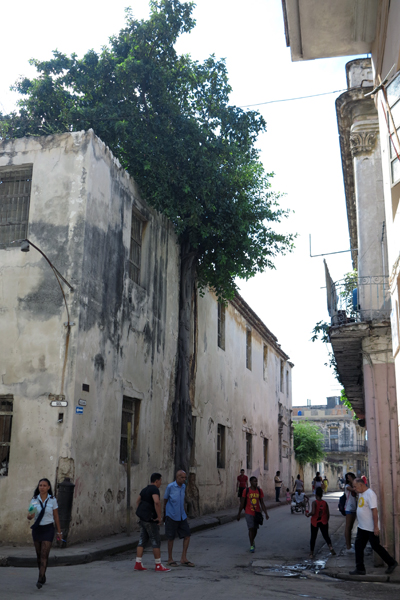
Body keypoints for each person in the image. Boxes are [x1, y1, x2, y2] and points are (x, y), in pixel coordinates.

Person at [349, 478, 398, 576]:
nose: (354, 488)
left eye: (355, 486)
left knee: (376, 546)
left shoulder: (370, 494)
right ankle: (360, 569)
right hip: (362, 527)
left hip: (370, 528)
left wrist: (376, 527)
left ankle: (392, 563)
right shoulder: (361, 493)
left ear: (361, 485)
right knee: (358, 547)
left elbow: (374, 511)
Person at [27, 478, 62, 589]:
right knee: (38, 556)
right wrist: (30, 516)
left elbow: (56, 516)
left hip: (48, 529)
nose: (42, 487)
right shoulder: (34, 500)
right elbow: (30, 514)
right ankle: (43, 575)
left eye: (44, 485)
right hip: (37, 529)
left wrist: (59, 532)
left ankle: (40, 578)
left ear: (48, 487)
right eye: (40, 485)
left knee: (44, 554)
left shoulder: (52, 500)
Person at [134, 472, 170, 572]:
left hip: (143, 519)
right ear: (157, 480)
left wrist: (142, 513)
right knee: (155, 540)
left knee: (142, 540)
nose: (160, 483)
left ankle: (138, 563)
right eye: (160, 481)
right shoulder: (154, 489)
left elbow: (137, 501)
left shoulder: (144, 489)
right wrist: (159, 517)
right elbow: (157, 502)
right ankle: (158, 565)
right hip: (151, 519)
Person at [164, 470, 194, 567]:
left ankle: (183, 558)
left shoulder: (184, 487)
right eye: (182, 477)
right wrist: (164, 513)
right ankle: (170, 558)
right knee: (171, 537)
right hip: (172, 515)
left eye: (185, 478)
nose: (184, 479)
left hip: (182, 515)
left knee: (187, 535)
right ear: (177, 477)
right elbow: (165, 499)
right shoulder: (170, 487)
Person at [237, 476, 269, 553]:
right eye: (254, 481)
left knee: (255, 529)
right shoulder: (246, 490)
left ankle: (253, 540)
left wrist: (266, 513)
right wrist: (238, 514)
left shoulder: (259, 490)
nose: (256, 483)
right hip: (249, 512)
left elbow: (262, 503)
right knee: (251, 528)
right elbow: (242, 503)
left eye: (256, 481)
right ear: (250, 482)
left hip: (257, 512)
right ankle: (251, 545)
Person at [306, 487, 336, 559]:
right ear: (322, 495)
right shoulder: (325, 503)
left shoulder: (314, 503)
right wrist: (326, 521)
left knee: (313, 537)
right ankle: (330, 547)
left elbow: (313, 512)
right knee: (326, 536)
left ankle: (311, 553)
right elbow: (327, 513)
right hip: (323, 521)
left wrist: (308, 514)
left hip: (315, 522)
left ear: (316, 495)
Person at [344, 472, 357, 553]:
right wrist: (353, 481)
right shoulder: (347, 486)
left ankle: (349, 545)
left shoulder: (352, 486)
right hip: (348, 508)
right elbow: (354, 490)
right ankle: (348, 547)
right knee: (348, 527)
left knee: (351, 527)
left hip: (354, 509)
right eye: (349, 478)